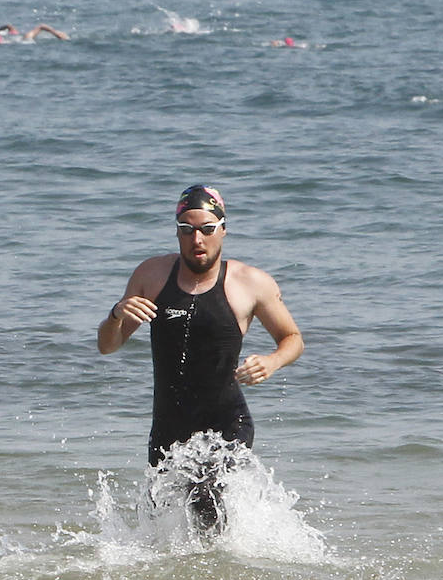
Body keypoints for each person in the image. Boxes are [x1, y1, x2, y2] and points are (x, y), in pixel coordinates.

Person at [96, 184, 303, 534]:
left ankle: (225, 579)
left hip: (226, 422)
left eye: (207, 229)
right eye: (187, 230)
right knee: (161, 521)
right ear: (177, 232)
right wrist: (116, 314)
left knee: (206, 504)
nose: (197, 240)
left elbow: (293, 339)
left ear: (223, 229)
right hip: (167, 424)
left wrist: (272, 362)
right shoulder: (151, 276)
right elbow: (107, 346)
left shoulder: (250, 283)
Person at [0, 23, 70, 45]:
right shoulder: (12, 35)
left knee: (40, 27)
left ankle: (58, 35)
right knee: (40, 27)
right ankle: (58, 35)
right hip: (20, 39)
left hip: (21, 41)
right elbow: (9, 25)